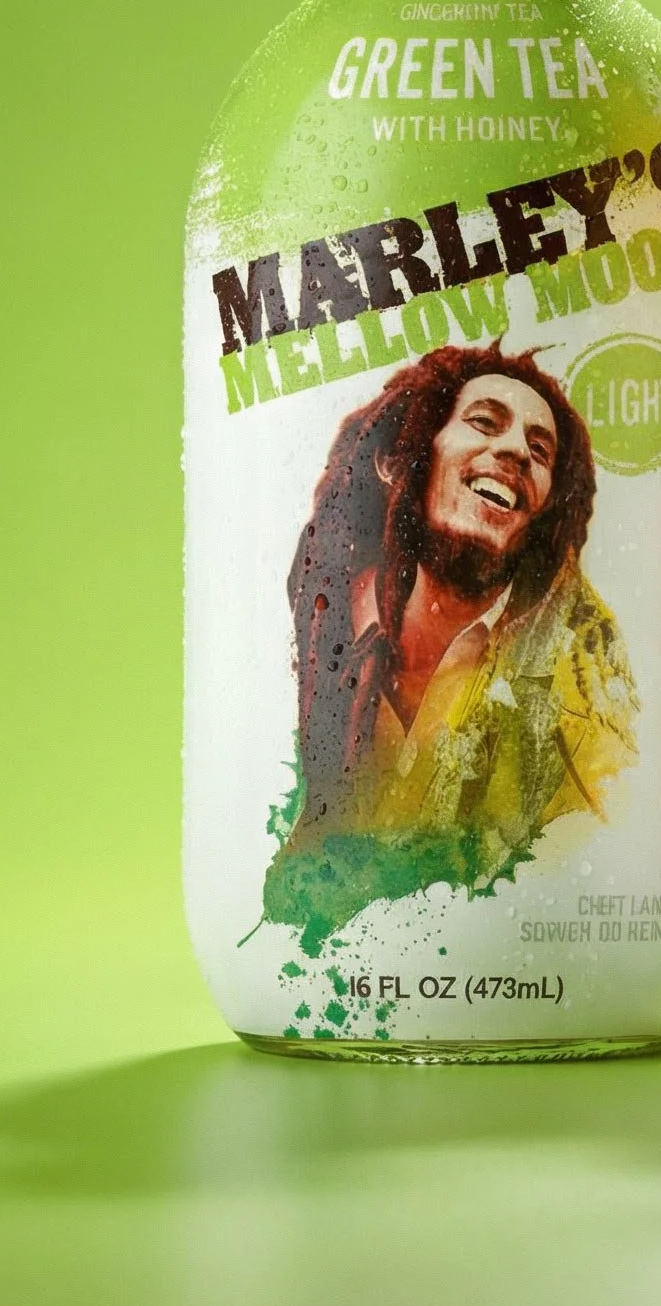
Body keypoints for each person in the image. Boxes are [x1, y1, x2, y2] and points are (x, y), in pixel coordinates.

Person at [264, 344, 636, 944]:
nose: (516, 451)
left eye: (540, 451)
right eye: (484, 422)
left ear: (542, 516)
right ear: (405, 457)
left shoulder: (577, 682)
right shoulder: (315, 632)